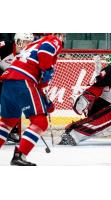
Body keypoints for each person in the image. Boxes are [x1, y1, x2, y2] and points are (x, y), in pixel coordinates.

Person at [0, 33, 64, 165]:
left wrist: (44, 99)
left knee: (7, 122)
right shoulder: (53, 39)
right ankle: (20, 155)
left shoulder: (34, 44)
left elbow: (37, 84)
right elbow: (45, 50)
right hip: (23, 80)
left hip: (9, 81)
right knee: (40, 122)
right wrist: (48, 69)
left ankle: (20, 155)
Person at [0, 33, 34, 144]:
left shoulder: (31, 53)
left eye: (30, 42)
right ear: (18, 41)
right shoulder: (6, 46)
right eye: (26, 41)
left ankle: (12, 130)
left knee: (15, 103)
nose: (28, 44)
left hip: (11, 81)